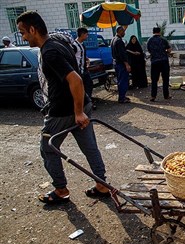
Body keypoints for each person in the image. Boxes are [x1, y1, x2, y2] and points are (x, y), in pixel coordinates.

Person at [16, 11, 110, 205]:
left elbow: (75, 79)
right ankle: (102, 185)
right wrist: (81, 109)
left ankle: (60, 190)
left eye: (23, 32)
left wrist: (77, 112)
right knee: (89, 146)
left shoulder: (49, 51)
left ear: (33, 29)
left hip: (64, 111)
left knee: (48, 149)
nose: (23, 37)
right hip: (82, 103)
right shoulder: (59, 43)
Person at [147, 26, 172, 102]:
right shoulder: (163, 40)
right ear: (160, 32)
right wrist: (166, 52)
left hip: (154, 62)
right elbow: (169, 49)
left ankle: (153, 96)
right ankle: (166, 95)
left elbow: (149, 50)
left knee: (154, 80)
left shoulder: (149, 40)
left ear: (153, 32)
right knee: (165, 79)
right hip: (164, 61)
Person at [72, 27, 95, 109]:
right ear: (82, 34)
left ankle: (88, 102)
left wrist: (86, 58)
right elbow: (72, 57)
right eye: (86, 34)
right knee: (80, 88)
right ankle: (82, 104)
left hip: (84, 69)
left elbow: (80, 54)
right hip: (78, 71)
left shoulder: (81, 44)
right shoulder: (74, 45)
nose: (87, 36)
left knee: (89, 84)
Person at [110, 26, 131, 103]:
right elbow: (122, 54)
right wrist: (127, 64)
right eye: (123, 31)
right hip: (121, 63)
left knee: (120, 80)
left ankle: (122, 96)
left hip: (116, 63)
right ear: (120, 31)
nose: (124, 33)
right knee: (123, 81)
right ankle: (122, 98)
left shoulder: (113, 39)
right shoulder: (119, 41)